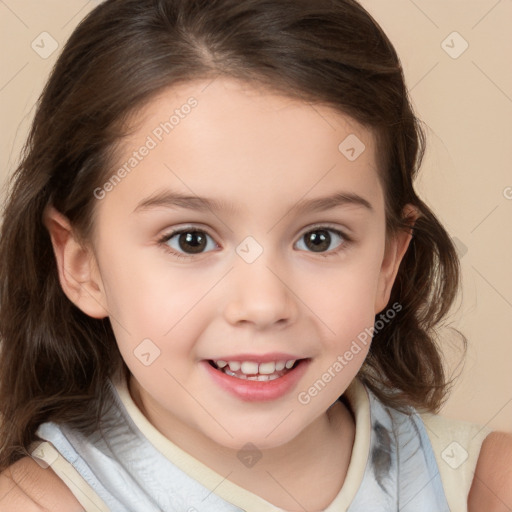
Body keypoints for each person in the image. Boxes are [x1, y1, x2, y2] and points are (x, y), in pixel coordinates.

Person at [0, 0, 510, 510]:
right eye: (190, 240)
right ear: (81, 264)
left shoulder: (484, 485)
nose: (264, 304)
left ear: (386, 263)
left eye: (320, 238)